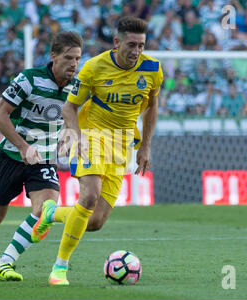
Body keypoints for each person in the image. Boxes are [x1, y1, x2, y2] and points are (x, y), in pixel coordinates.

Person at [31, 16, 163, 285]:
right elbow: (69, 107)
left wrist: (146, 146)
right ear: (117, 42)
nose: (136, 52)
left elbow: (152, 107)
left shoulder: (153, 69)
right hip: (91, 137)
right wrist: (76, 138)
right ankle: (60, 268)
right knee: (89, 196)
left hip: (123, 143)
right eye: (131, 45)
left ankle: (51, 213)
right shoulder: (93, 68)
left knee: (95, 221)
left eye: (141, 45)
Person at [0, 31, 83, 282]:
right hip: (12, 155)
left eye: (78, 59)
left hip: (44, 159)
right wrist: (24, 147)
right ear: (53, 56)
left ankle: (5, 262)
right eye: (68, 58)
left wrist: (71, 135)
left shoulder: (78, 86)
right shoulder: (29, 79)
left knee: (46, 208)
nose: (74, 64)